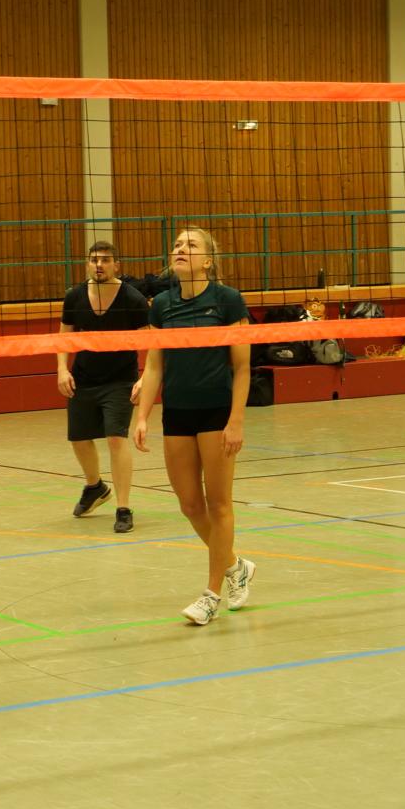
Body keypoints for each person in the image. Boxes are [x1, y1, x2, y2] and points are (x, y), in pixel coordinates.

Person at [132, 226, 255, 626]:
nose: (181, 249)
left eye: (191, 244)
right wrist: (142, 416)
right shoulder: (162, 305)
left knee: (219, 504)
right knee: (189, 504)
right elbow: (154, 365)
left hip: (216, 411)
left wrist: (236, 420)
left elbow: (242, 367)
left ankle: (212, 594)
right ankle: (236, 565)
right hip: (178, 412)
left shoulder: (227, 300)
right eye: (177, 245)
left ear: (208, 261)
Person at [57, 241, 150, 533]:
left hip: (120, 380)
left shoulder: (132, 298)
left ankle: (123, 508)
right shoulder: (74, 296)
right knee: (79, 438)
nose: (99, 264)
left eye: (106, 260)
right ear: (87, 264)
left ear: (116, 265)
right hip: (83, 378)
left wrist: (144, 378)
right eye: (94, 259)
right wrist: (62, 370)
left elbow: (151, 342)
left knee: (115, 438)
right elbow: (64, 337)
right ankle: (95, 486)